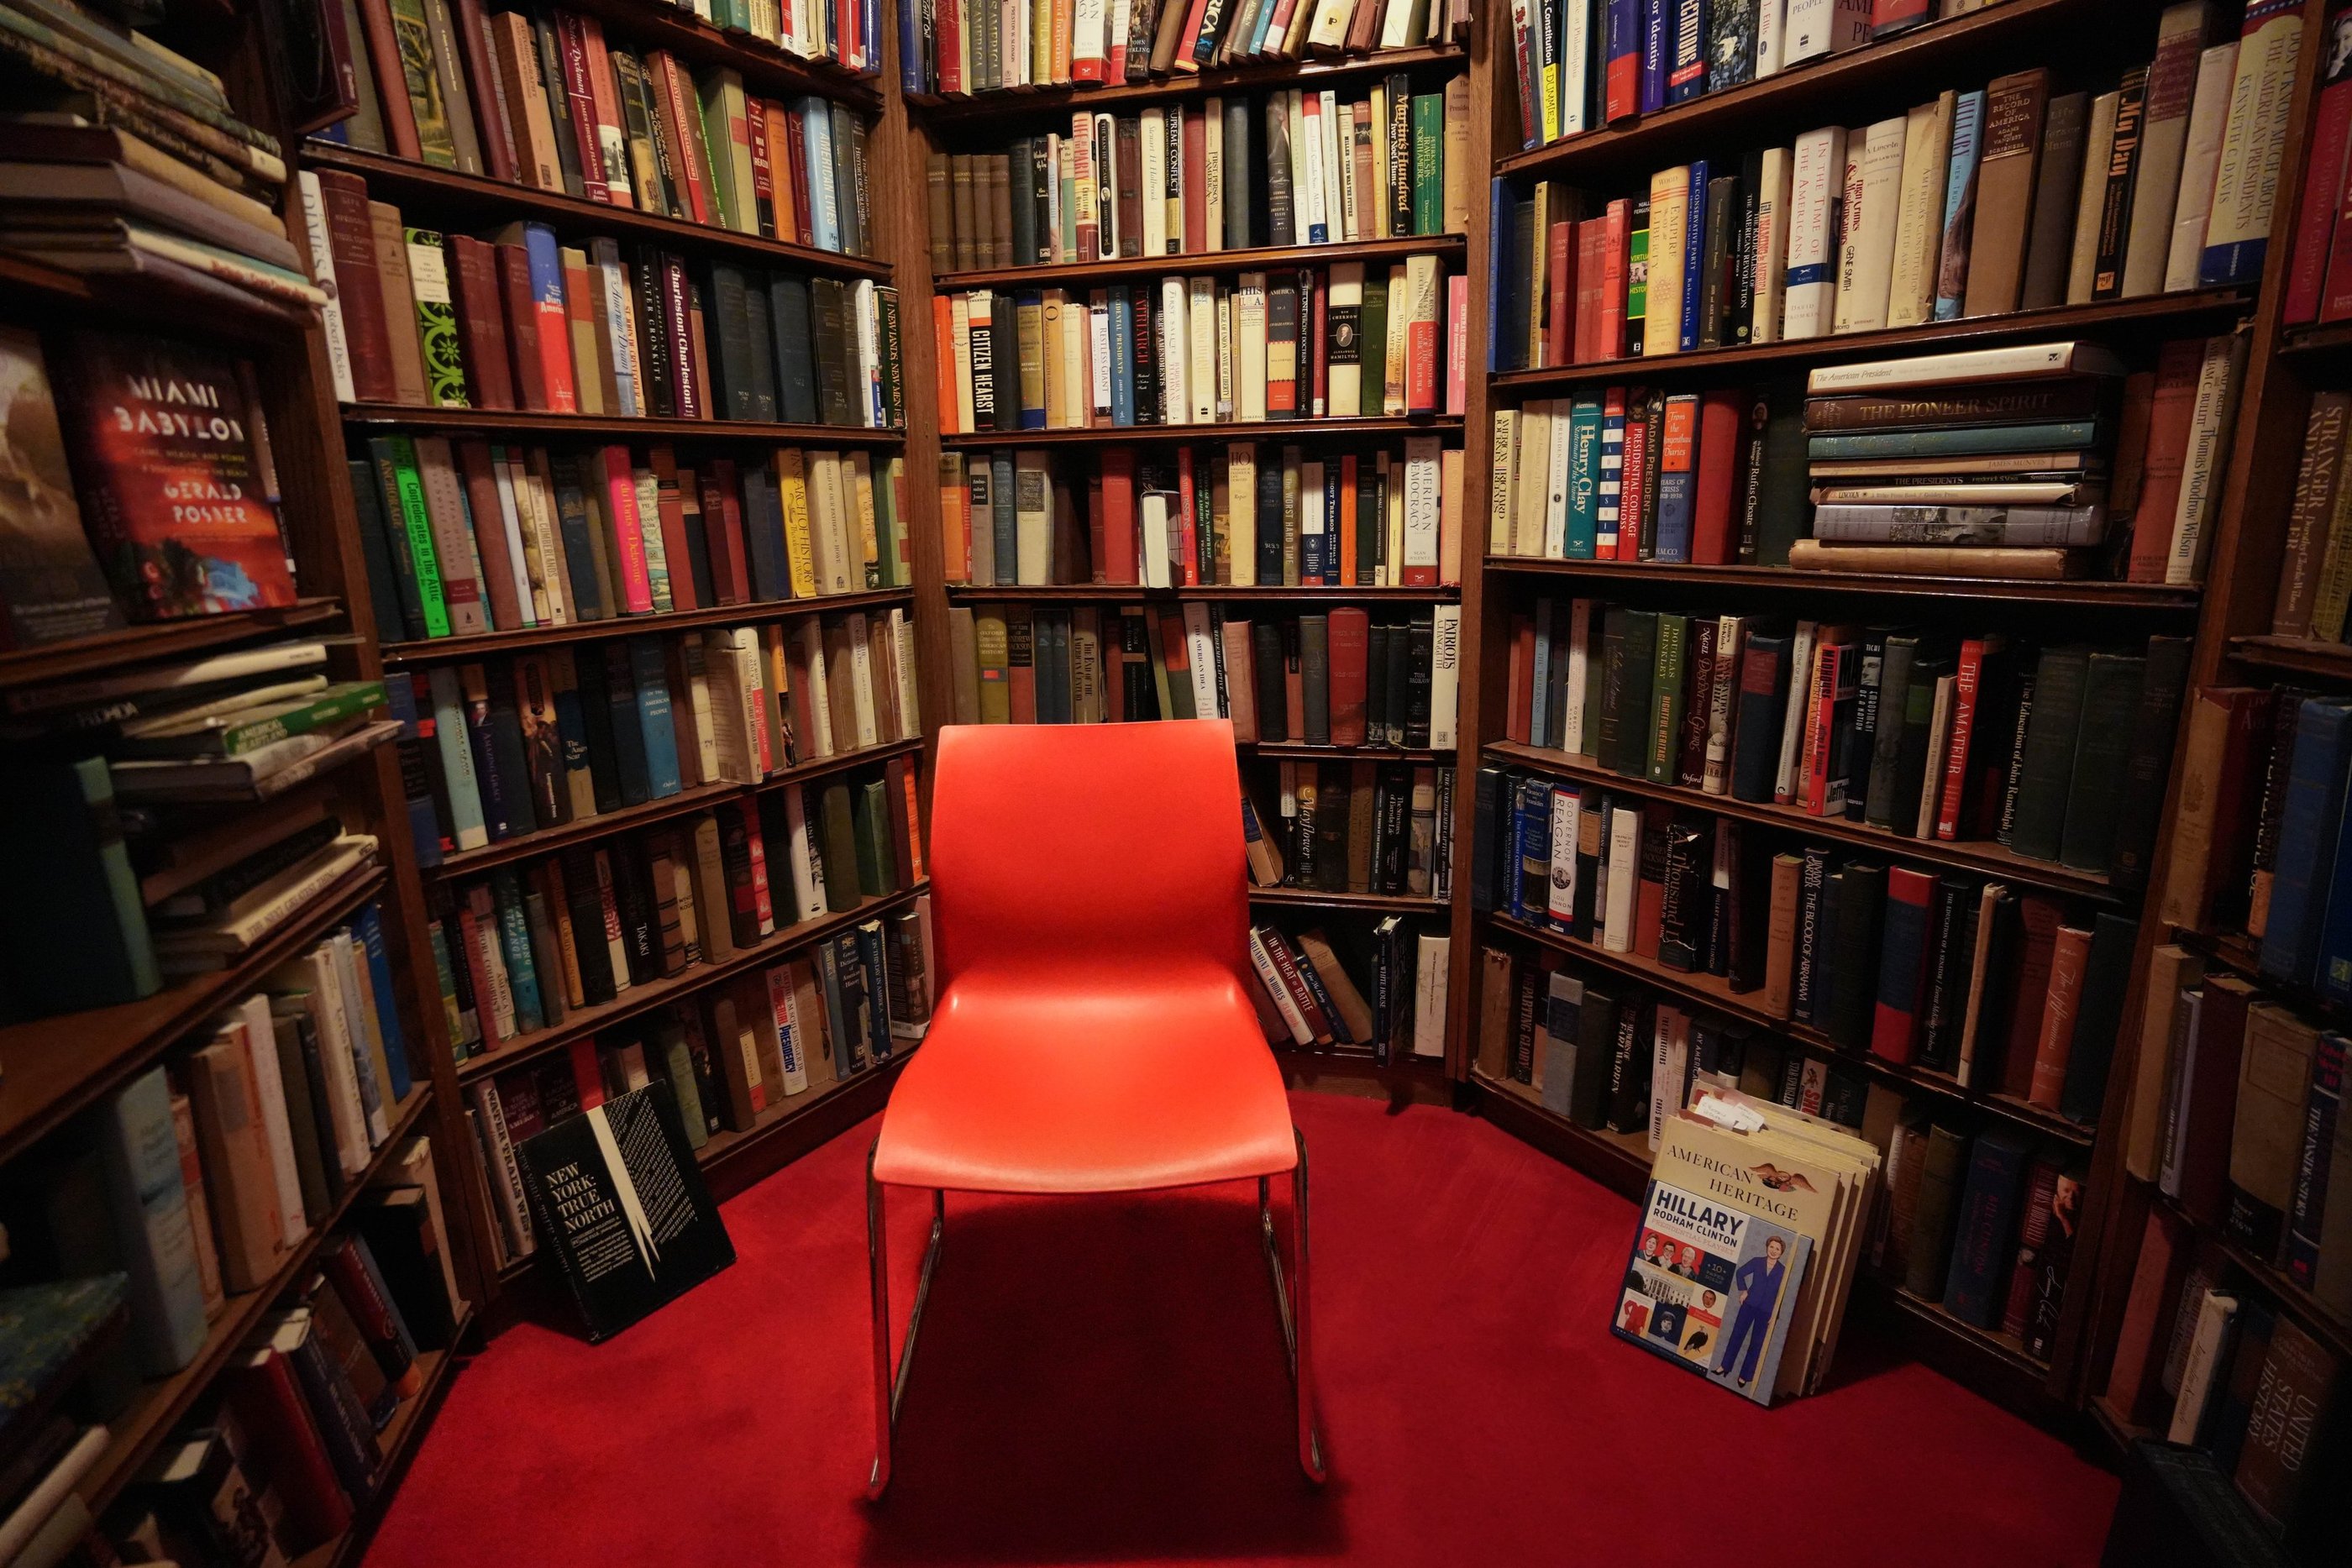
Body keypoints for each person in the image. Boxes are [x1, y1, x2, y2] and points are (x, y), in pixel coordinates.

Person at [1714, 1235, 1789, 1389]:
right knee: (1737, 1336)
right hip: (1749, 1305)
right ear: (1767, 1247)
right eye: (1772, 1247)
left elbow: (1782, 1295)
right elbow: (1740, 1273)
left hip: (1767, 1311)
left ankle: (1745, 1375)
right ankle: (1725, 1366)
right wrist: (1744, 1290)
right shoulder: (1757, 1261)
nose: (1774, 1251)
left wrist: (1776, 1314)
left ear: (1781, 1253)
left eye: (1777, 1249)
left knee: (1756, 1343)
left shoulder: (1783, 1271)